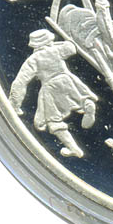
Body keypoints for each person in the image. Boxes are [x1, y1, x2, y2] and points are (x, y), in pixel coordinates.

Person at [9, 29, 98, 158]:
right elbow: (71, 48)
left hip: (50, 88)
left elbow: (20, 83)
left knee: (53, 121)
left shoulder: (33, 60)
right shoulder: (57, 50)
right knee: (81, 98)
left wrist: (15, 104)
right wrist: (58, 43)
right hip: (67, 80)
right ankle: (87, 105)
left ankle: (74, 149)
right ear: (50, 40)